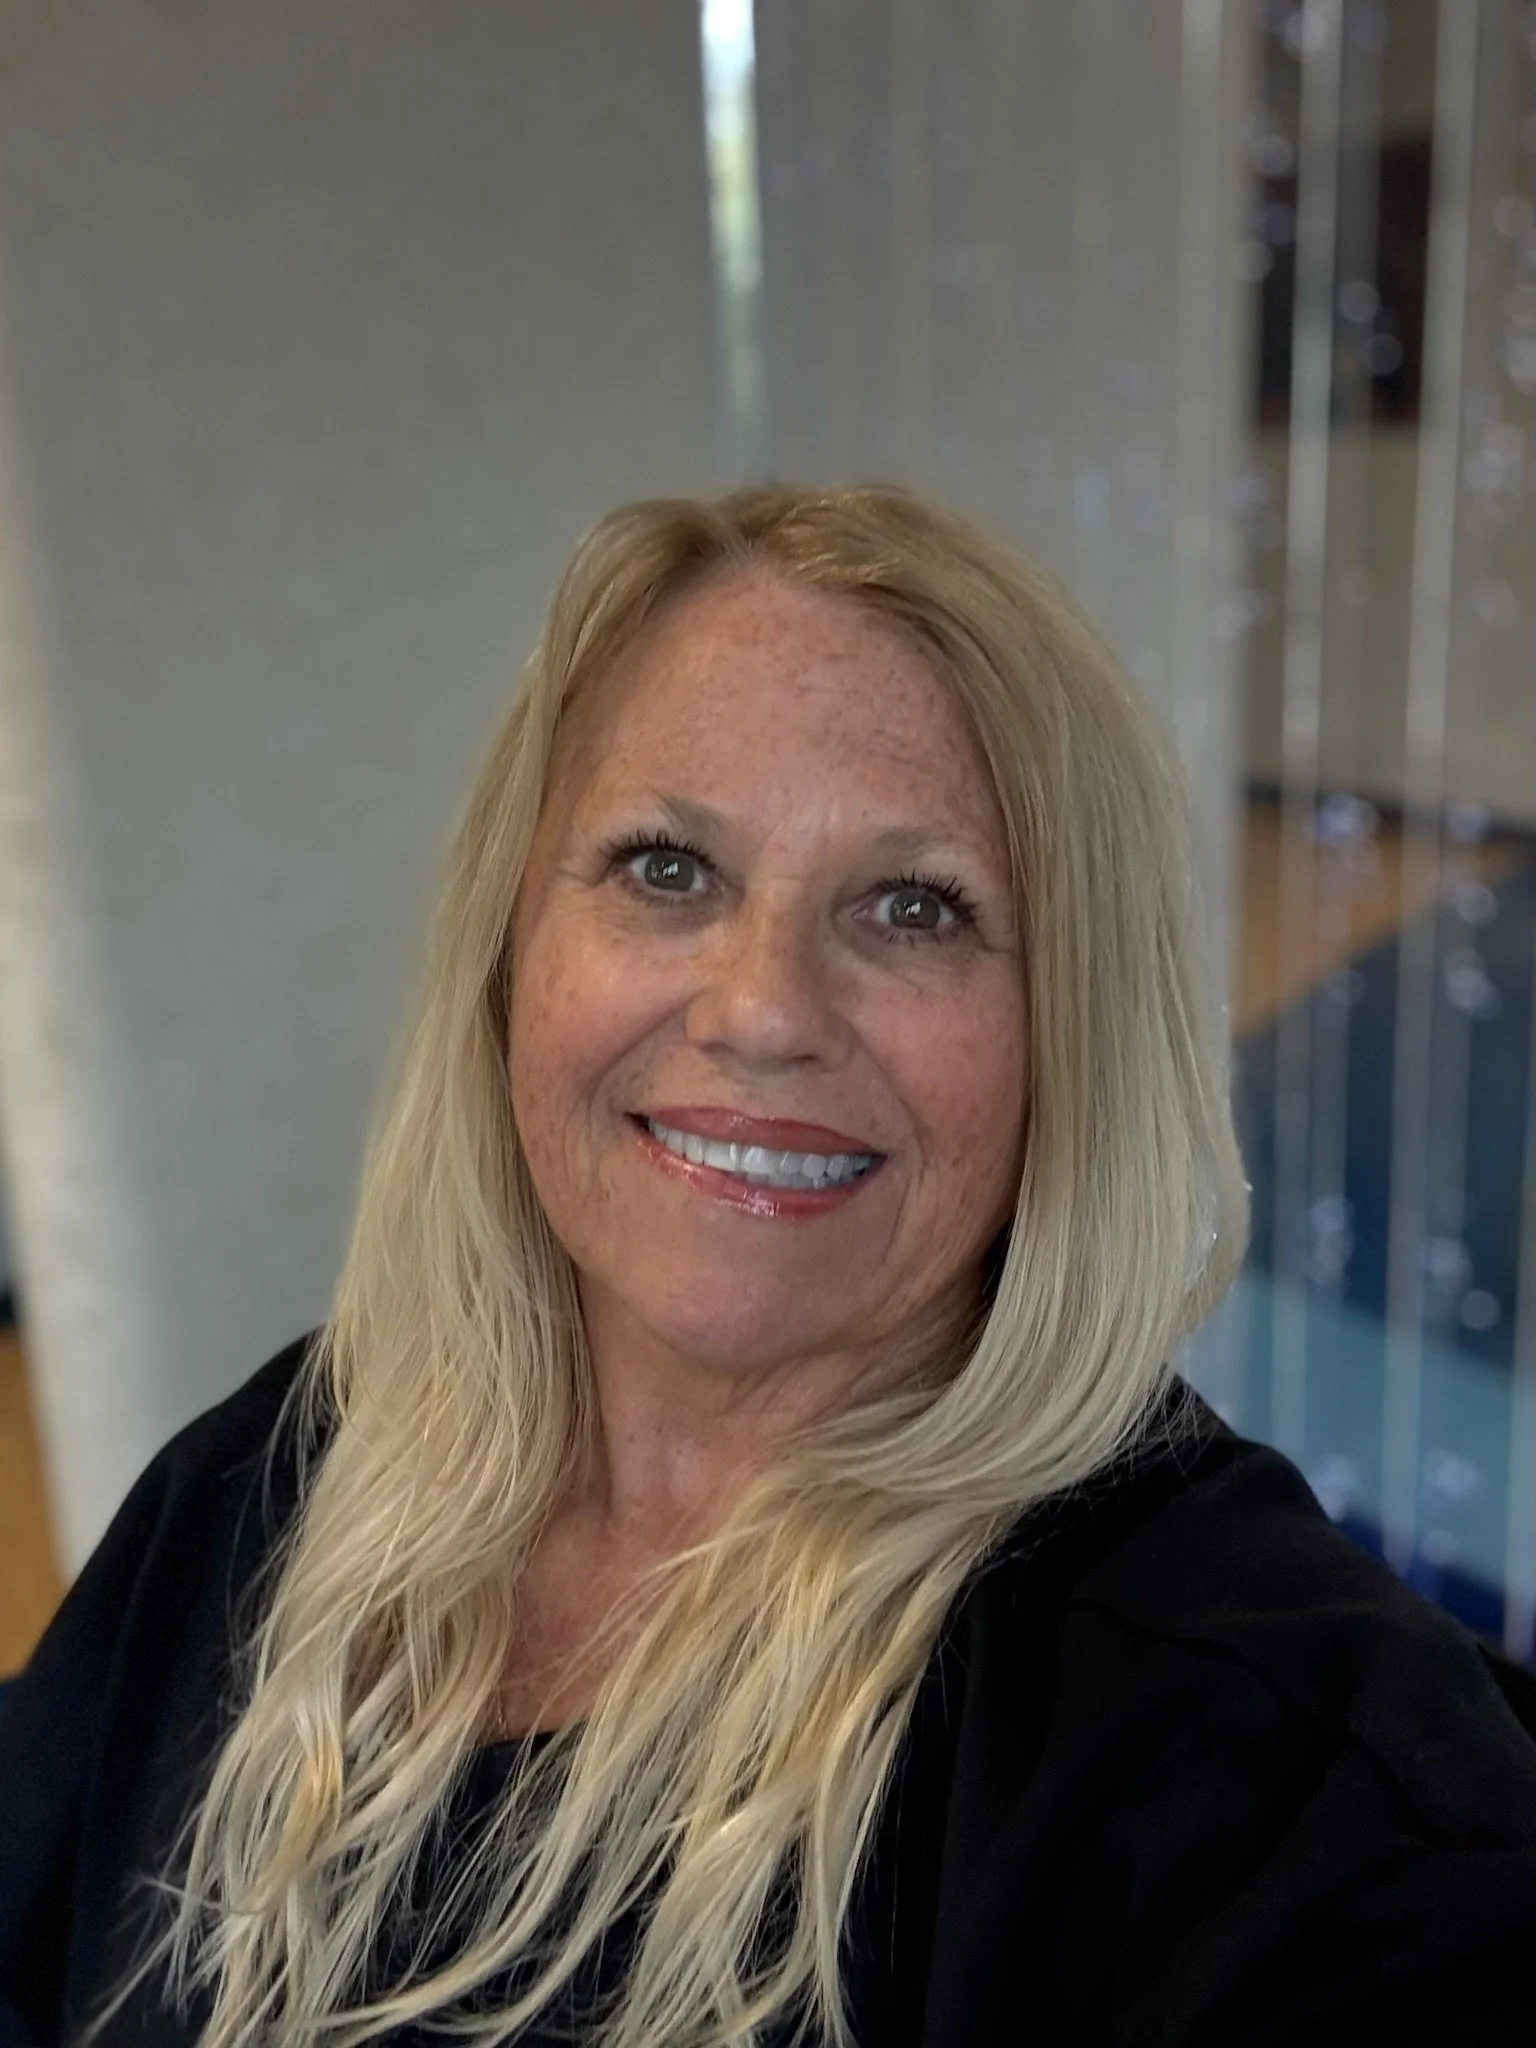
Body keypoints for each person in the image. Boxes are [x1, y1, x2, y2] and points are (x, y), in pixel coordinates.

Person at [3, 484, 1535, 2048]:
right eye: (668, 869)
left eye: (916, 906)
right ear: (511, 950)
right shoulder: (282, 1476)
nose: (762, 1009)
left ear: (1072, 1033)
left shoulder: (1273, 1782)